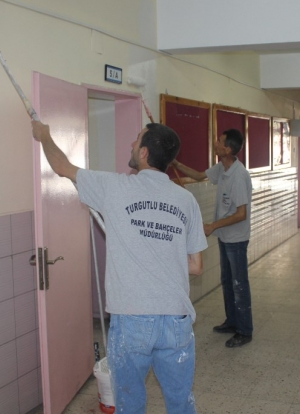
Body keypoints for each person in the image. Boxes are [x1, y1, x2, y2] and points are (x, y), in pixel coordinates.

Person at [31, 120, 208, 414]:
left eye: (137, 140)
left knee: (130, 403)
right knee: (180, 402)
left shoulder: (114, 187)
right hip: (176, 320)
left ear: (145, 153)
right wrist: (161, 262)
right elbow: (197, 266)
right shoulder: (186, 200)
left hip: (132, 319)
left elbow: (61, 167)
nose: (131, 144)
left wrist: (45, 136)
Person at [171, 129, 254, 348]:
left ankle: (245, 330)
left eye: (220, 141)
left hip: (236, 239)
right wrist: (176, 163)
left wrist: (212, 226)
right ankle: (232, 321)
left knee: (239, 284)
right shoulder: (222, 167)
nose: (216, 143)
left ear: (228, 149)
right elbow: (199, 176)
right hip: (225, 236)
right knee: (227, 281)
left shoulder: (239, 176)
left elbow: (241, 214)